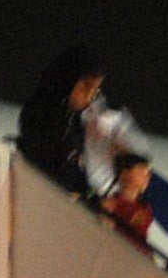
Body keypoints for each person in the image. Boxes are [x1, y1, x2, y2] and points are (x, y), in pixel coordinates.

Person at [16, 47, 103, 198]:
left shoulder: (76, 123)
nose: (89, 96)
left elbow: (76, 171)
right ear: (68, 79)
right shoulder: (39, 112)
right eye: (86, 86)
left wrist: (90, 196)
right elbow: (36, 163)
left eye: (96, 90)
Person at [100, 151, 155, 249]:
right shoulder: (110, 204)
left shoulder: (145, 209)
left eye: (147, 173)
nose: (147, 177)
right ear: (124, 174)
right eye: (141, 171)